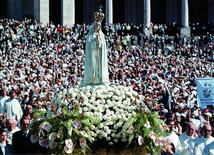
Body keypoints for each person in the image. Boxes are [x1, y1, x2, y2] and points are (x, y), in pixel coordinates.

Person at [81, 6, 109, 85]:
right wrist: (94, 42)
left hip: (99, 54)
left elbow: (103, 46)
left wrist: (99, 42)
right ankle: (92, 78)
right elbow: (89, 45)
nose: (97, 28)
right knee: (93, 66)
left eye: (99, 27)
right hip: (93, 55)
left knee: (99, 67)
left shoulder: (101, 35)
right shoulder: (90, 35)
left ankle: (101, 78)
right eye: (96, 26)